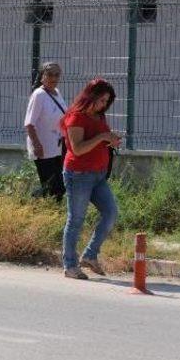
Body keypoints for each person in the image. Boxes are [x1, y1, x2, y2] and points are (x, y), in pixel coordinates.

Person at [60, 78, 121, 280]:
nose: (104, 105)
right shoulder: (76, 117)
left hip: (98, 175)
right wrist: (102, 138)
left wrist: (111, 141)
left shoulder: (99, 116)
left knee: (111, 212)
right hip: (79, 175)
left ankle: (89, 255)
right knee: (76, 219)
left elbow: (98, 142)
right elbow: (77, 149)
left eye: (107, 101)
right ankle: (70, 265)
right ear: (91, 96)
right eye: (102, 100)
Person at [24, 61, 67, 201]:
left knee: (58, 185)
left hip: (57, 146)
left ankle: (36, 203)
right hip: (43, 147)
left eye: (57, 75)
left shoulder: (57, 93)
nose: (54, 78)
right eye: (49, 74)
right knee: (53, 186)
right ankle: (30, 202)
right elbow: (29, 124)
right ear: (42, 76)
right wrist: (37, 145)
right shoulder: (39, 95)